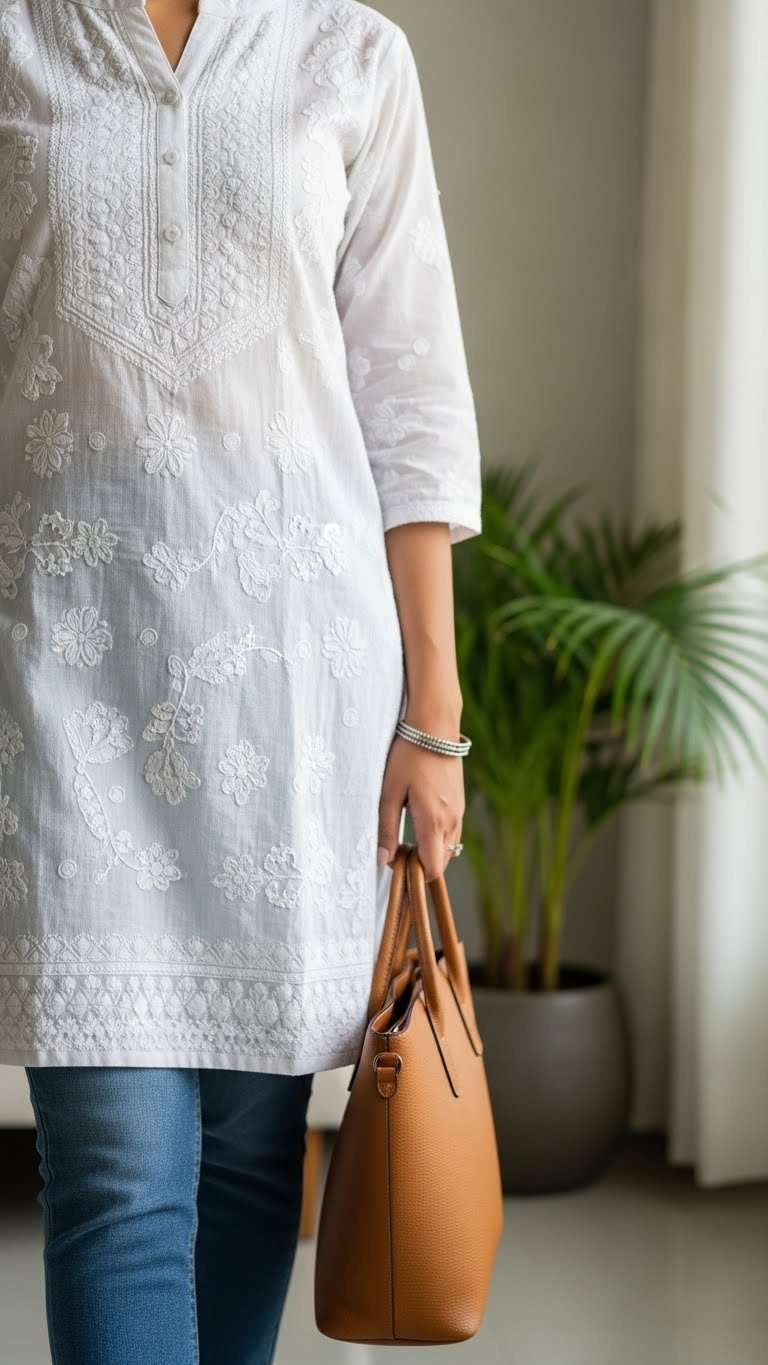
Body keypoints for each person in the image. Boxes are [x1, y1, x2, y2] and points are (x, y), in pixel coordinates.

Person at [0, 0, 483, 1359]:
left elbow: (413, 400)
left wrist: (431, 721)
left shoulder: (349, 52)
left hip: (294, 693)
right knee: (114, 1171)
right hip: (60, 679)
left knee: (253, 1159)